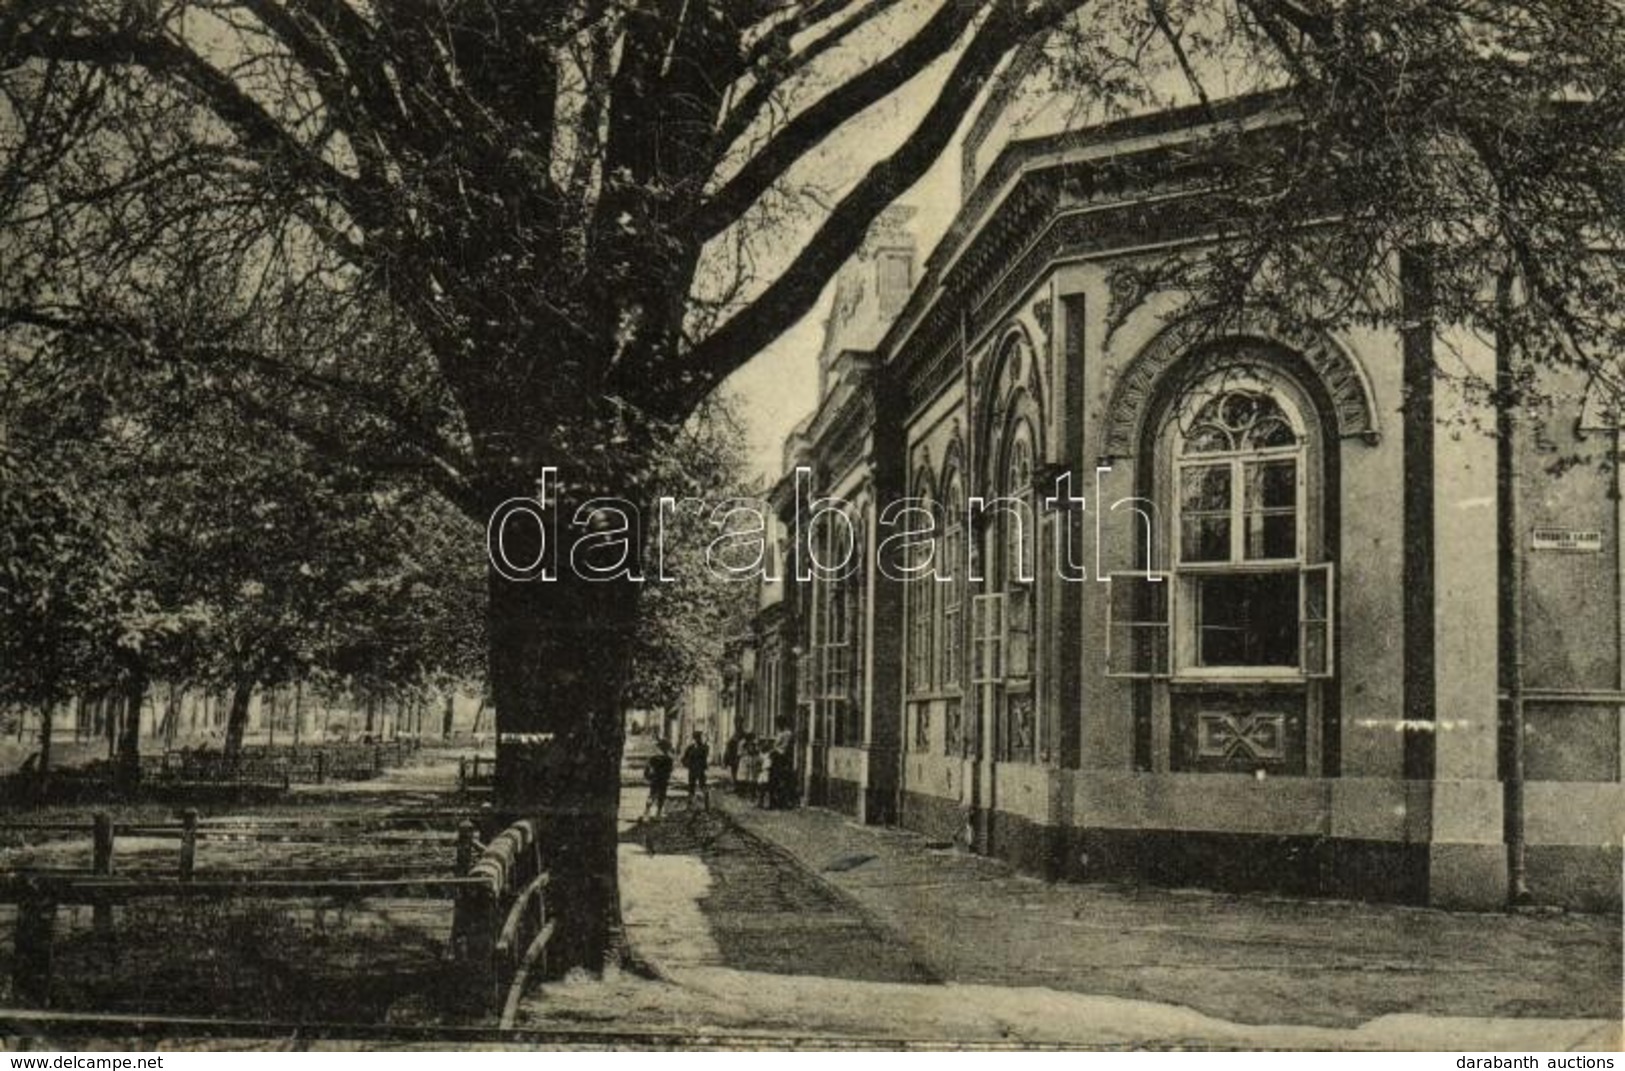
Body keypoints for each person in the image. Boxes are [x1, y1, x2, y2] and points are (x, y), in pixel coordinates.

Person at [768, 718, 795, 810]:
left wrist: (773, 751)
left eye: (778, 724)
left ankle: (776, 803)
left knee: (776, 780)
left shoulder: (785, 734)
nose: (778, 726)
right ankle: (779, 802)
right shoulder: (788, 733)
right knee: (780, 781)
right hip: (782, 758)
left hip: (780, 758)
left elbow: (779, 746)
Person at [643, 738, 674, 818]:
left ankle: (647, 811)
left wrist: (647, 776)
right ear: (667, 749)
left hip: (655, 778)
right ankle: (658, 812)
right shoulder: (669, 759)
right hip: (663, 779)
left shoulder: (653, 758)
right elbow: (670, 770)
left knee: (652, 795)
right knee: (661, 796)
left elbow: (647, 768)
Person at [680, 731, 710, 810]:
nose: (697, 739)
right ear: (694, 738)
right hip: (692, 769)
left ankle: (706, 805)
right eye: (696, 738)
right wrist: (687, 764)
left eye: (698, 738)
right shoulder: (690, 748)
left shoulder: (704, 747)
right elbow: (683, 758)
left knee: (702, 785)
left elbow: (705, 755)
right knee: (691, 787)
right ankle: (690, 805)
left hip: (700, 770)